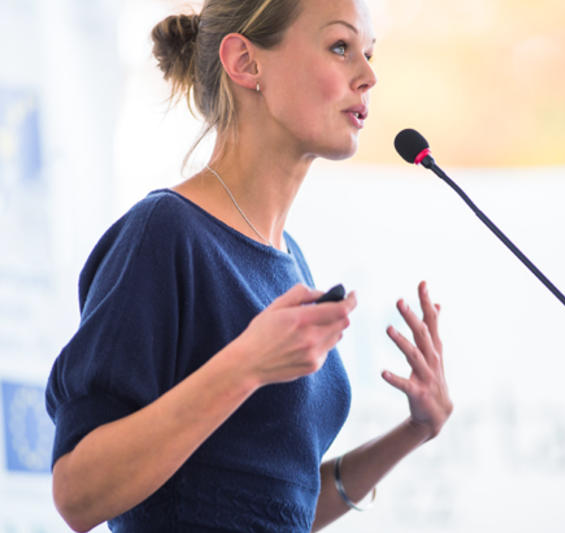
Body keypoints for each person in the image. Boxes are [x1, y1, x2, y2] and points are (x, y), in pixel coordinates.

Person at [45, 0, 453, 531]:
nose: (369, 76)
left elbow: (273, 507)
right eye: (340, 47)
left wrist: (415, 430)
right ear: (245, 62)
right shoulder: (165, 233)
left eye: (369, 54)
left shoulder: (291, 260)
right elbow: (78, 493)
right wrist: (246, 366)